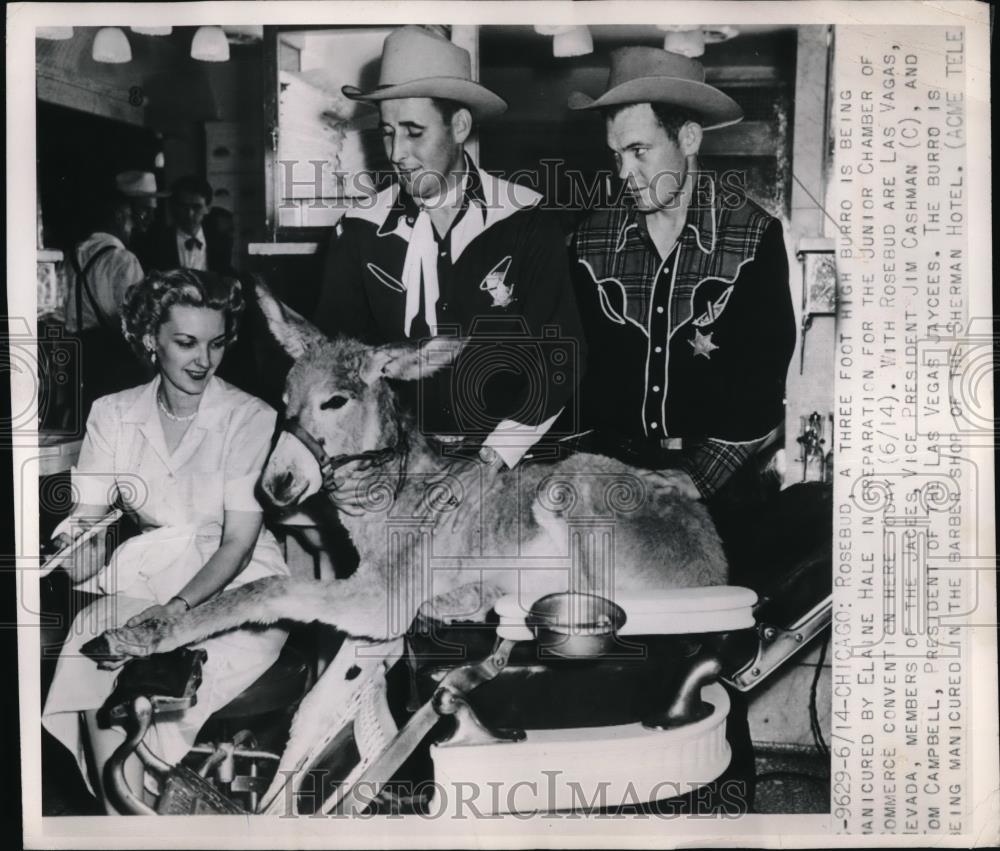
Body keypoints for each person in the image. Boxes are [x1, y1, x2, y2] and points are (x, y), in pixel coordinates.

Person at [42, 269, 289, 812]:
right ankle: (124, 818)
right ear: (151, 339)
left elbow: (238, 544)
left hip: (234, 590)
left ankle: (156, 813)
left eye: (216, 343)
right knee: (93, 649)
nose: (204, 359)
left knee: (154, 684)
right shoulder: (113, 413)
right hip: (147, 571)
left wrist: (174, 613)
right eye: (186, 343)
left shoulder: (249, 416)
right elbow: (87, 521)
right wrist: (69, 553)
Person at [314, 26, 585, 470]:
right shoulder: (359, 231)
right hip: (397, 467)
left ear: (459, 126)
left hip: (509, 465)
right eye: (386, 133)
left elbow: (561, 357)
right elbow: (336, 363)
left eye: (414, 131)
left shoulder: (526, 221)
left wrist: (494, 457)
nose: (397, 152)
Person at [566, 47, 796, 522]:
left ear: (688, 139)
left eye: (639, 151)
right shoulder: (587, 241)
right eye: (616, 155)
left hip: (727, 493)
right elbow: (572, 371)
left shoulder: (754, 236)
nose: (624, 174)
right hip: (616, 488)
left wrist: (698, 477)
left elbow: (762, 381)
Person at [66, 187, 149, 412]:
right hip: (114, 358)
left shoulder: (73, 255)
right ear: (119, 216)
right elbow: (136, 319)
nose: (132, 228)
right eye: (131, 219)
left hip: (76, 355)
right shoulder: (123, 260)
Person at [144, 176, 234, 274]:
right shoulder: (157, 241)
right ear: (174, 207)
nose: (190, 214)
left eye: (196, 207)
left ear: (208, 208)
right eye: (184, 206)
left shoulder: (221, 242)